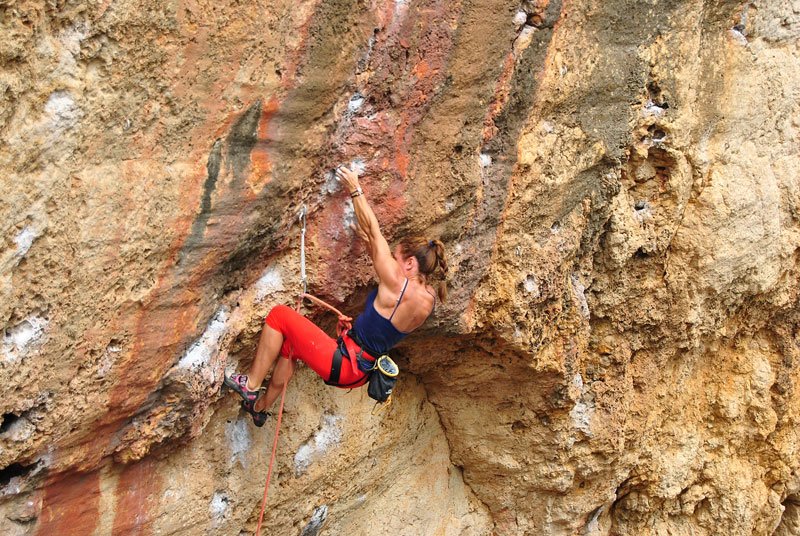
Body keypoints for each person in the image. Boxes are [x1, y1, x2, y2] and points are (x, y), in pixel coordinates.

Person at [224, 164, 448, 426]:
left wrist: (355, 188)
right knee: (289, 346)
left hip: (344, 364)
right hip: (360, 370)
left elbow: (376, 232)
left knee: (279, 316)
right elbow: (376, 253)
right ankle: (259, 407)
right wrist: (367, 240)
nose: (392, 262)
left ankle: (250, 385)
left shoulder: (398, 283)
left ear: (410, 264)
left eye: (396, 259)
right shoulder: (429, 299)